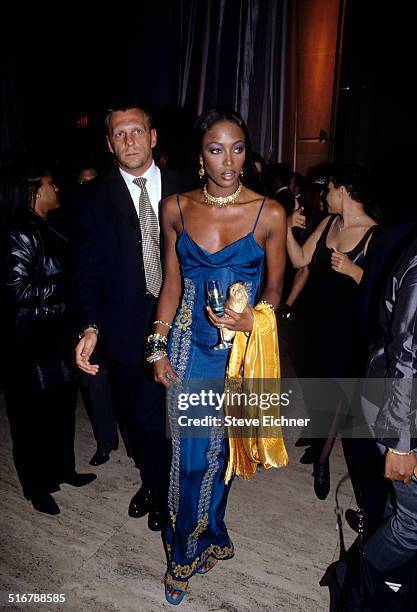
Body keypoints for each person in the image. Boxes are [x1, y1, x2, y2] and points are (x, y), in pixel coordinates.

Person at [150, 107, 287, 604]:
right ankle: (180, 551)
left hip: (241, 357)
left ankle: (212, 533)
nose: (228, 161)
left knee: (224, 453)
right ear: (199, 155)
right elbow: (171, 284)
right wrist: (157, 345)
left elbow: (274, 288)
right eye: (216, 149)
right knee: (188, 458)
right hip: (190, 350)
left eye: (238, 148)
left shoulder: (269, 212)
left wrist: (256, 318)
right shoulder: (177, 208)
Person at [72, 104, 181, 531]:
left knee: (183, 414)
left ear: (153, 136)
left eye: (138, 131)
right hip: (124, 331)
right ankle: (156, 486)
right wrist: (89, 326)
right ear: (109, 143)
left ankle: (178, 485)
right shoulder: (93, 197)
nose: (130, 140)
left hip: (188, 324)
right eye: (120, 134)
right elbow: (86, 270)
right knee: (140, 418)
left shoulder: (186, 186)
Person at [0, 161, 96, 515]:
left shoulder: (46, 226)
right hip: (31, 343)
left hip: (56, 336)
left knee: (61, 409)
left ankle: (62, 470)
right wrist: (64, 286)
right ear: (35, 190)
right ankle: (35, 487)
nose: (57, 188)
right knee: (31, 418)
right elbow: (15, 289)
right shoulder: (18, 232)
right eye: (51, 183)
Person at [286, 164, 378, 500]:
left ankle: (323, 460)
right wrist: (285, 227)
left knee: (340, 392)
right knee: (315, 382)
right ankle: (316, 436)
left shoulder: (373, 234)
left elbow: (386, 290)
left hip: (348, 329)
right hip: (314, 323)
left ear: (342, 189)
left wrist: (356, 272)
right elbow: (299, 261)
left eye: (328, 190)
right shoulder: (327, 223)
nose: (324, 196)